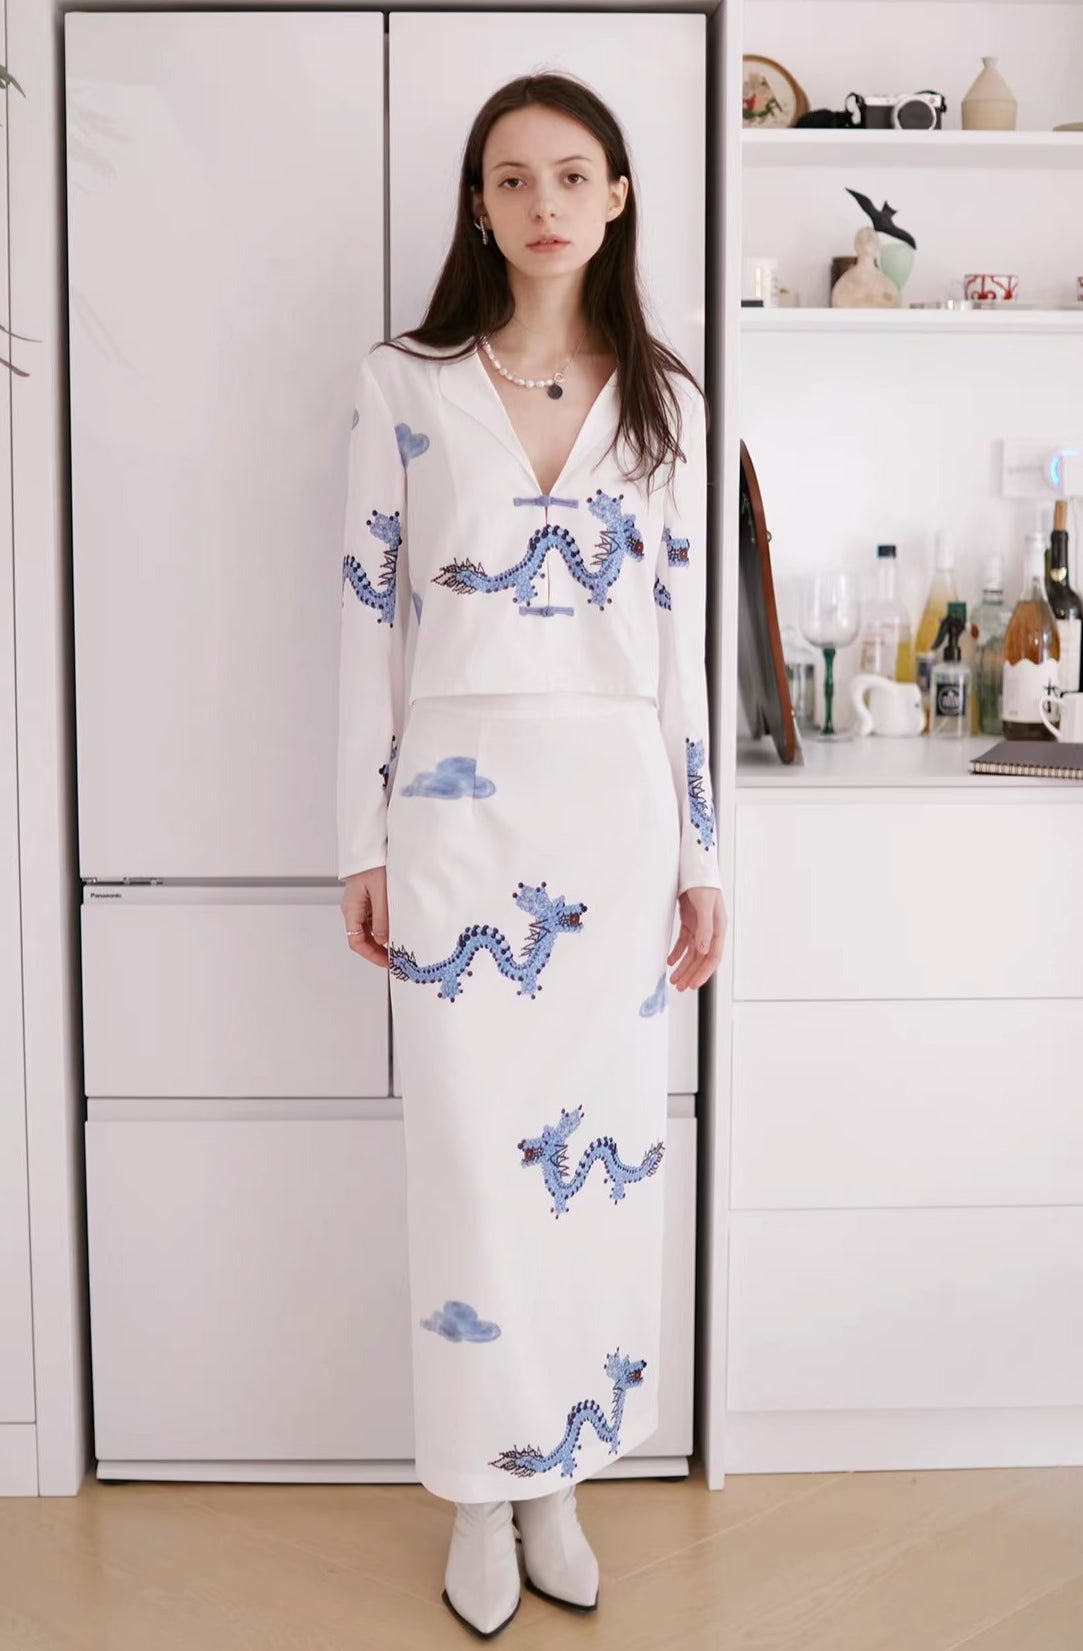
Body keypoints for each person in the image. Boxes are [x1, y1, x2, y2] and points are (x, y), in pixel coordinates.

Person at [335, 71, 727, 1640]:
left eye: (573, 174)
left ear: (618, 197)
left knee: (598, 1165)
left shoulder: (668, 403)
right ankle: (476, 1493)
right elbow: (364, 621)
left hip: (614, 823)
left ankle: (560, 1472)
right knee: (468, 1167)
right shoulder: (404, 383)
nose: (544, 202)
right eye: (512, 178)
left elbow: (688, 650)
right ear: (480, 206)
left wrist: (704, 859)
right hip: (455, 824)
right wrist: (357, 837)